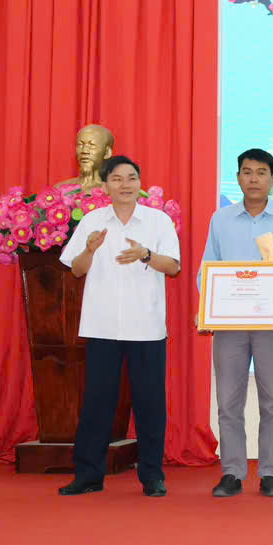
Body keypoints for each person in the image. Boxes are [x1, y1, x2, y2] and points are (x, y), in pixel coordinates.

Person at [57, 156, 182, 496]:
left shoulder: (157, 221)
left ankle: (152, 476)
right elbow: (76, 269)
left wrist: (145, 254)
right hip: (103, 326)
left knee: (150, 404)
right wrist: (89, 249)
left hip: (147, 327)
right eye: (117, 178)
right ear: (105, 185)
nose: (125, 185)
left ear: (140, 183)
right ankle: (88, 475)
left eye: (131, 178)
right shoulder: (93, 221)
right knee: (97, 402)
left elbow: (173, 267)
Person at [198, 148, 273, 498]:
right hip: (229, 323)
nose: (254, 179)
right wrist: (209, 307)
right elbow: (207, 269)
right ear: (238, 177)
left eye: (261, 172)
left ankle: (271, 473)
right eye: (247, 172)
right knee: (228, 402)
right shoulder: (221, 219)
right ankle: (232, 472)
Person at [58, 124, 116, 191]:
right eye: (80, 144)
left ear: (107, 152)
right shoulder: (60, 189)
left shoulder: (115, 191)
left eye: (92, 145)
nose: (84, 151)